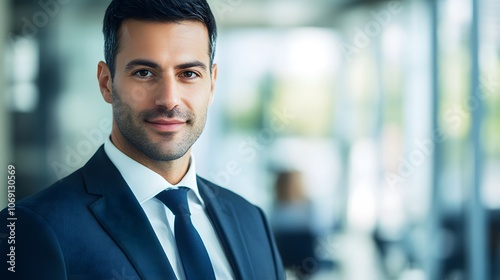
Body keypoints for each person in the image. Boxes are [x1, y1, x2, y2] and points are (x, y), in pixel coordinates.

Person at [0, 0, 285, 279]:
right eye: (144, 73)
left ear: (211, 83)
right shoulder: (31, 229)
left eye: (188, 73)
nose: (169, 100)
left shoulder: (251, 220)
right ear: (106, 82)